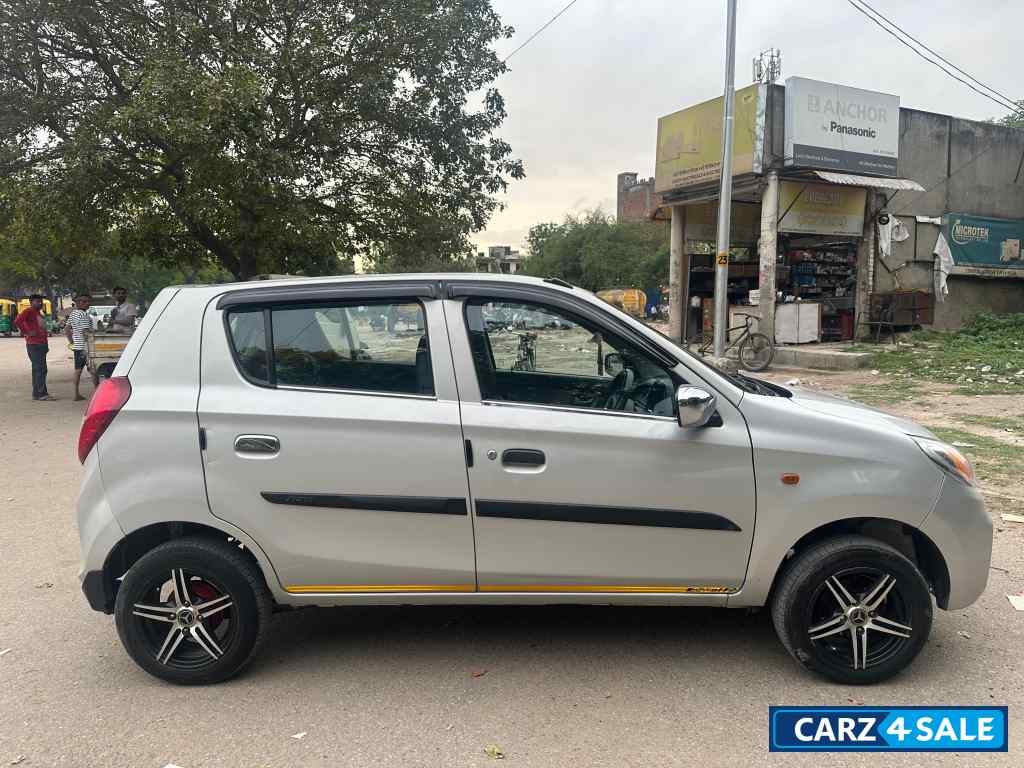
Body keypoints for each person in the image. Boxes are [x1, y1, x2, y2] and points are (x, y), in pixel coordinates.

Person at [14, 294, 54, 401]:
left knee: (38, 369)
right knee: (40, 369)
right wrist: (26, 332)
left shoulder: (38, 312)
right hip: (34, 344)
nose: (40, 303)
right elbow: (17, 321)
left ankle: (37, 393)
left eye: (40, 301)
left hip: (40, 344)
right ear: (31, 302)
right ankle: (42, 394)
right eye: (37, 301)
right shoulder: (29, 311)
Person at [66, 293, 93, 401]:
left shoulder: (73, 314)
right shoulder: (84, 315)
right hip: (86, 347)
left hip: (77, 347)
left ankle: (76, 394)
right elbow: (86, 332)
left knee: (78, 370)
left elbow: (67, 329)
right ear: (78, 303)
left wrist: (72, 342)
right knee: (93, 369)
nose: (87, 303)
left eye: (88, 301)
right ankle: (97, 391)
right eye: (84, 301)